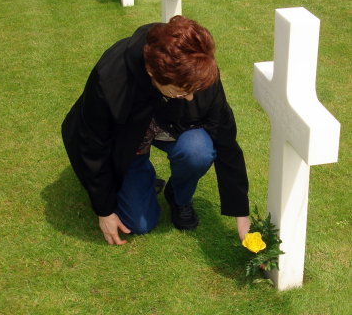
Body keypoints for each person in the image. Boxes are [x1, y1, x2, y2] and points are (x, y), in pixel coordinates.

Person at [61, 15, 251, 245]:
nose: (190, 97)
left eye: (193, 90)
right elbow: (92, 145)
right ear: (153, 73)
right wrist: (104, 210)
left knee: (198, 150)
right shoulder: (110, 78)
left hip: (172, 126)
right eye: (181, 93)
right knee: (139, 224)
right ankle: (142, 179)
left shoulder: (197, 70)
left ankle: (178, 198)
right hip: (127, 140)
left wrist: (241, 212)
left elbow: (225, 138)